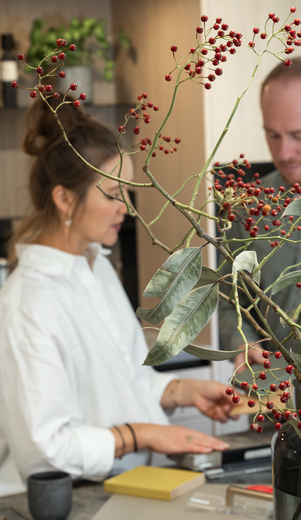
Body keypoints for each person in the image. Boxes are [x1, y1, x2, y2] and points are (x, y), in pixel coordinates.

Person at [0, 97, 234, 493]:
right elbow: (44, 450)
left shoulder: (98, 266)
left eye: (127, 192)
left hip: (123, 485)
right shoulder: (30, 302)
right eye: (112, 194)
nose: (127, 208)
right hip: (58, 501)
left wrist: (181, 392)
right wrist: (141, 435)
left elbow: (123, 381)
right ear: (64, 199)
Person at [219, 57, 301, 371]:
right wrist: (241, 342)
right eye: (273, 135)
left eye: (299, 135)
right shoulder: (246, 207)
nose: (284, 153)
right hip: (276, 404)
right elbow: (229, 301)